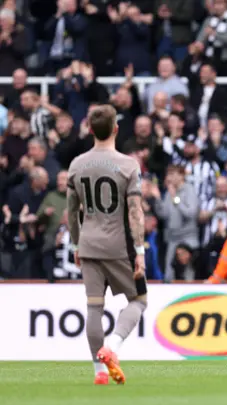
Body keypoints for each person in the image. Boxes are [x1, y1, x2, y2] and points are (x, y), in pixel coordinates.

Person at [66, 105, 147, 386]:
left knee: (93, 308)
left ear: (90, 130)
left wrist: (77, 243)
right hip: (118, 245)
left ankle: (98, 372)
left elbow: (71, 210)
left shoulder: (76, 164)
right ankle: (112, 347)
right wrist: (139, 250)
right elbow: (135, 212)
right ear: (116, 129)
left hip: (88, 242)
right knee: (139, 300)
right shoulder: (128, 165)